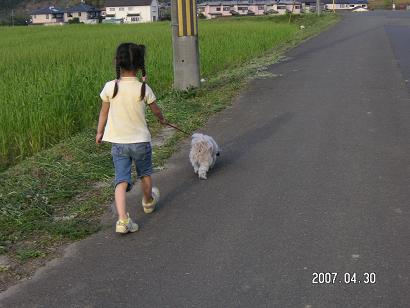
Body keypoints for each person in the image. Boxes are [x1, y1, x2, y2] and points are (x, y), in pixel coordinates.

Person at [96, 42, 166, 234]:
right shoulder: (143, 88)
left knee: (121, 180)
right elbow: (156, 111)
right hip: (141, 142)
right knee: (145, 174)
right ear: (140, 64)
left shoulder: (110, 87)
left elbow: (103, 113)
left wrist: (99, 132)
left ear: (118, 63)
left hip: (118, 143)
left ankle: (122, 220)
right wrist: (162, 120)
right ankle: (148, 201)